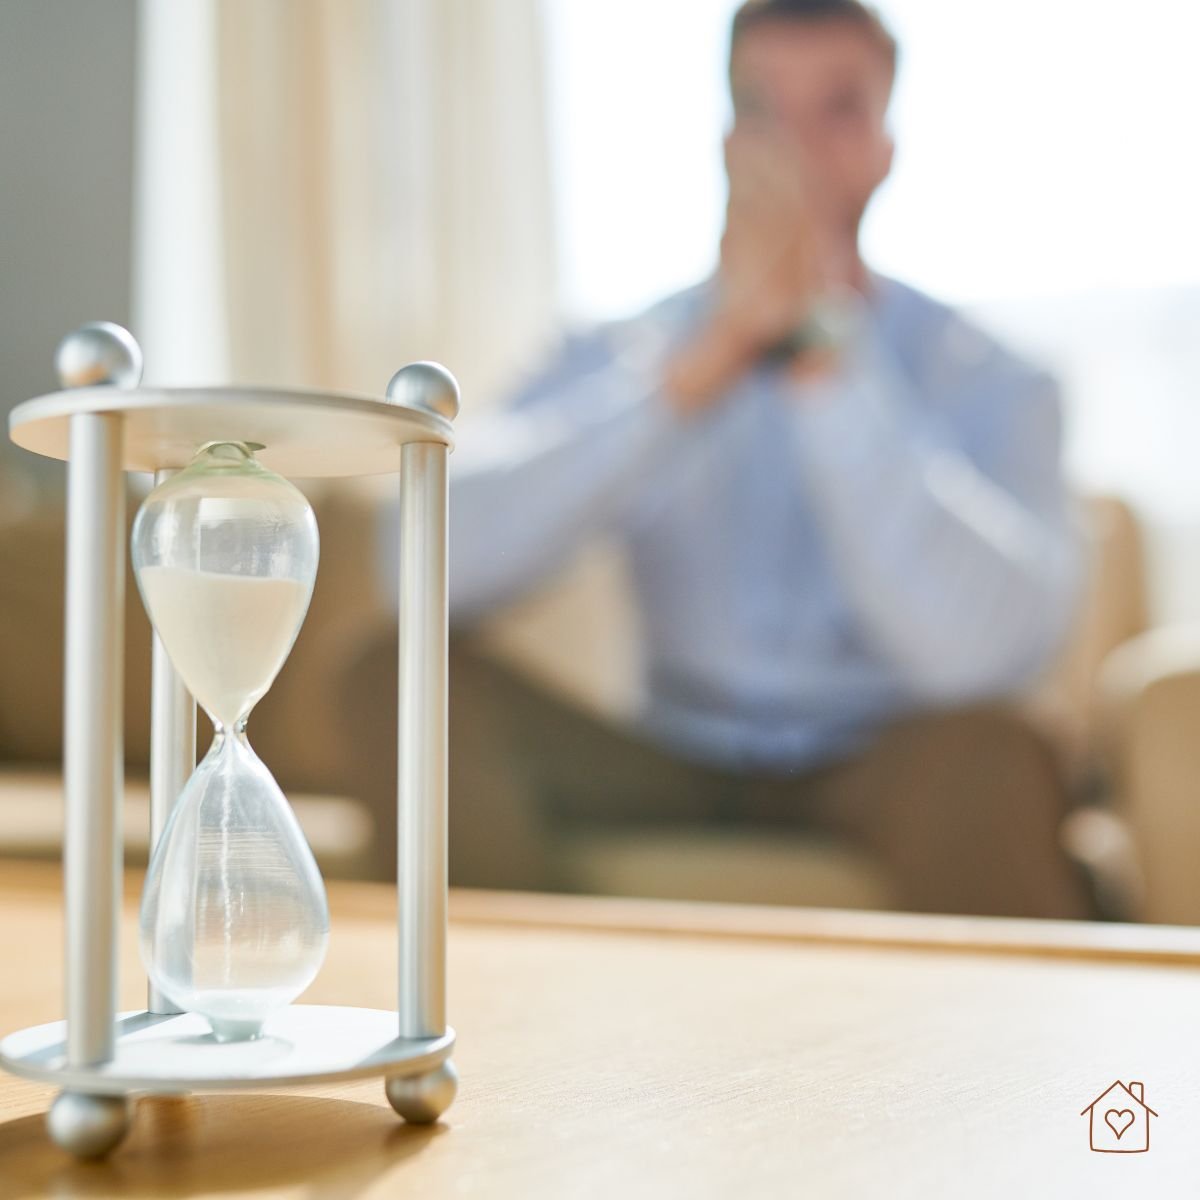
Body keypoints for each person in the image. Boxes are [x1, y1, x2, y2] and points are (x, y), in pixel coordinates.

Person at [430, 0, 1092, 917]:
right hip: (671, 754)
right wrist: (686, 381)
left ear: (887, 147)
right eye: (764, 110)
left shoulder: (997, 380)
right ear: (726, 138)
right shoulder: (626, 350)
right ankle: (511, 1036)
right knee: (397, 683)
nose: (796, 150)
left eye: (839, 110)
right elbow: (418, 565)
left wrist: (827, 358)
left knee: (999, 756)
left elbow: (984, 661)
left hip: (888, 758)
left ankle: (1010, 1068)